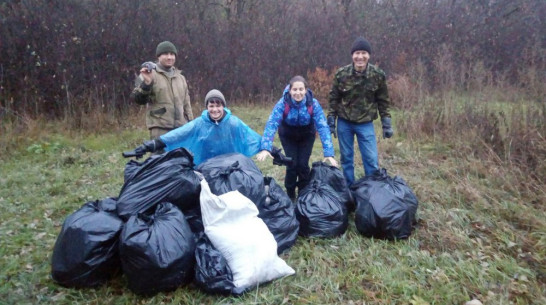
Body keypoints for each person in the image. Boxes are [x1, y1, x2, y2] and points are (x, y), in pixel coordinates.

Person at [257, 75, 338, 200]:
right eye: (295, 89)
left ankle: (303, 194)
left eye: (301, 89)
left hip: (307, 135)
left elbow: (322, 126)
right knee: (292, 164)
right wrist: (266, 147)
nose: (298, 93)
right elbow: (272, 123)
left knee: (303, 165)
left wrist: (329, 153)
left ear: (306, 90)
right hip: (288, 135)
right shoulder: (283, 103)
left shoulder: (313, 104)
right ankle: (290, 194)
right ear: (290, 90)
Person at [129, 89, 262, 166]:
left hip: (231, 167)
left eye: (218, 105)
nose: (215, 109)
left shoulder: (233, 123)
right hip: (206, 168)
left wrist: (271, 149)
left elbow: (251, 137)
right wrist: (151, 145)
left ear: (223, 106)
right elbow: (178, 134)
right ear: (207, 107)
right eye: (211, 106)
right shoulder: (199, 124)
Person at [327, 37, 393, 186]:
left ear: (369, 55)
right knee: (346, 158)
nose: (360, 57)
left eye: (364, 53)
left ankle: (371, 189)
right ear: (352, 55)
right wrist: (331, 120)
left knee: (371, 159)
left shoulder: (378, 75)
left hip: (365, 123)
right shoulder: (341, 74)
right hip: (344, 122)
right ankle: (349, 190)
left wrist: (386, 123)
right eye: (357, 53)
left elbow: (383, 100)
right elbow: (333, 99)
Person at [130, 41, 194, 140]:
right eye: (165, 54)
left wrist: (191, 124)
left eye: (172, 54)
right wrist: (147, 84)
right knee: (160, 156)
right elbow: (137, 99)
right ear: (158, 56)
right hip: (160, 130)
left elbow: (187, 104)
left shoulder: (181, 78)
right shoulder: (148, 73)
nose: (169, 57)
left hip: (181, 129)